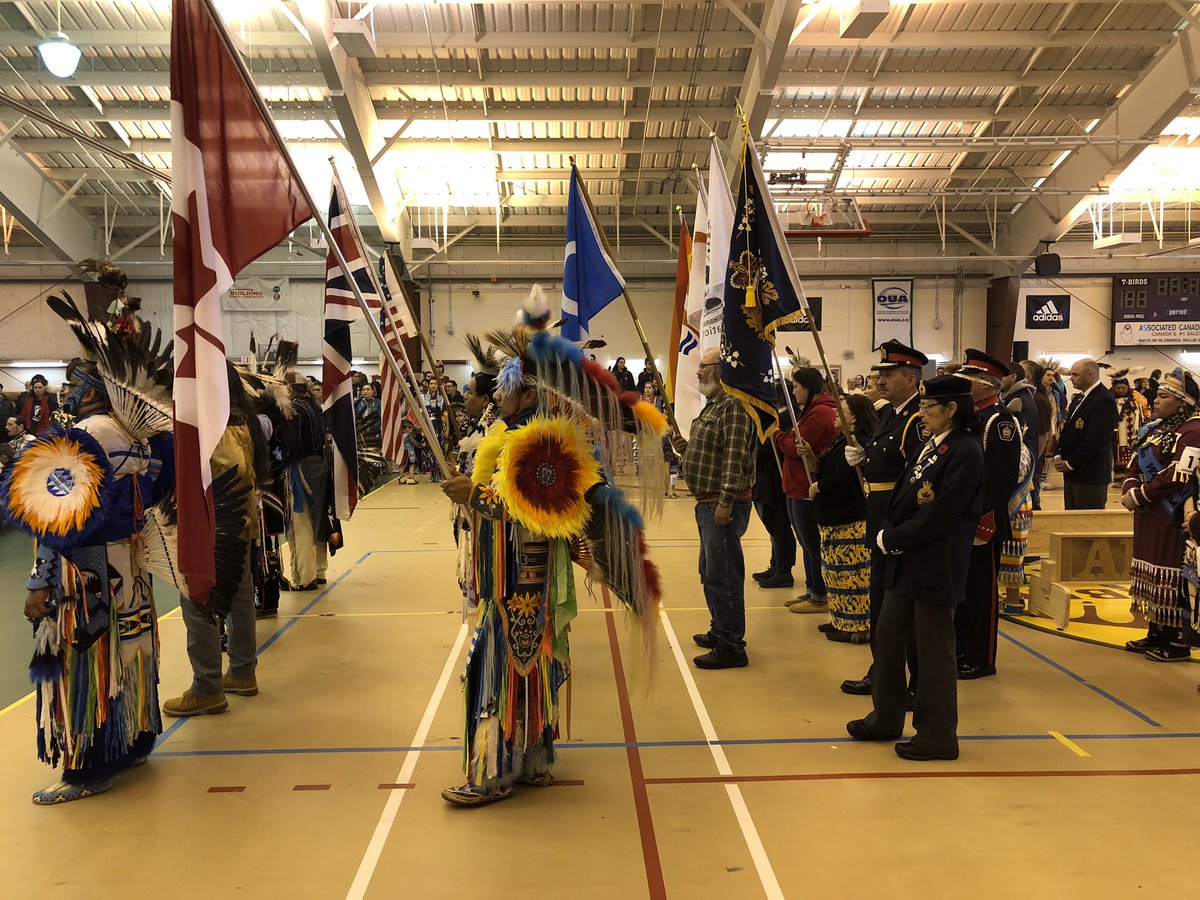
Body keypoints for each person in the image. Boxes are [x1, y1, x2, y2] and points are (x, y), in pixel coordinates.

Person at [438, 302, 662, 806]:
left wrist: (471, 497)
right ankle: (530, 759)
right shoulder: (513, 435)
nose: (498, 393)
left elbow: (526, 508)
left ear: (527, 390)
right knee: (527, 664)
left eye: (506, 386)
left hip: (522, 578)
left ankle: (494, 772)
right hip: (506, 573)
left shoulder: (542, 444)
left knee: (501, 665)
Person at [6, 315, 175, 803]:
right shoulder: (144, 437)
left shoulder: (84, 437)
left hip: (85, 572)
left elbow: (58, 518)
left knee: (86, 659)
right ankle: (136, 742)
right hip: (131, 566)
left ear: (94, 388)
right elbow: (163, 489)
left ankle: (90, 769)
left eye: (73, 383)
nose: (66, 393)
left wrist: (39, 582)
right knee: (131, 652)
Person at [846, 375, 983, 762]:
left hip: (934, 564)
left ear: (952, 409)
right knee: (887, 639)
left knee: (933, 651)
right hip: (905, 563)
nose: (921, 413)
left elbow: (942, 513)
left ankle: (938, 734)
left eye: (928, 407)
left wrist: (894, 537)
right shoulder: (932, 445)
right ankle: (886, 716)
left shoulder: (966, 451)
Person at [163, 364, 270, 717]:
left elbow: (228, 477)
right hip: (241, 524)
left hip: (214, 527)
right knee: (239, 597)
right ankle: (241, 673)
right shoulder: (243, 421)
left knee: (200, 599)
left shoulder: (215, 428)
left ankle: (207, 686)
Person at [841, 340, 929, 698]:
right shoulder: (891, 414)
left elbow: (916, 478)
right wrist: (863, 458)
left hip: (896, 525)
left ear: (910, 379)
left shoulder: (916, 420)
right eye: (880, 374)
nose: (880, 381)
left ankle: (909, 685)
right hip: (878, 522)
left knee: (901, 614)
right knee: (881, 608)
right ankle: (883, 673)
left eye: (889, 374)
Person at [677, 347, 757, 669]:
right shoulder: (714, 407)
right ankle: (719, 629)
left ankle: (732, 645)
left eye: (702, 366)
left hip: (720, 507)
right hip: (707, 505)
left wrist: (725, 501)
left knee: (723, 576)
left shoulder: (733, 407)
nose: (697, 372)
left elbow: (735, 459)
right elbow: (713, 451)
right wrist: (686, 448)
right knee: (709, 572)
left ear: (720, 371)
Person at [1120, 369, 1200, 662]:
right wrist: (1130, 487)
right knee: (1153, 570)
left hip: (1173, 515)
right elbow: (1133, 463)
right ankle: (1157, 630)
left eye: (1163, 396)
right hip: (1148, 513)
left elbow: (1179, 473)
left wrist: (1141, 495)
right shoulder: (1155, 428)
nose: (1155, 399)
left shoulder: (1194, 430)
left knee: (1173, 574)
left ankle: (1177, 641)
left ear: (1183, 403)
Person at [956, 350, 1021, 679]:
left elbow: (1000, 476)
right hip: (963, 517)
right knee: (964, 591)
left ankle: (982, 657)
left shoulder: (999, 420)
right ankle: (962, 648)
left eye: (968, 380)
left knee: (982, 594)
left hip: (983, 520)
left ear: (985, 385)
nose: (963, 384)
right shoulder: (972, 417)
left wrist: (987, 518)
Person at [810, 393, 878, 643]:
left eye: (842, 410)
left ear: (856, 417)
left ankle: (857, 626)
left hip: (849, 519)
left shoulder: (859, 443)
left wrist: (819, 487)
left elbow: (845, 479)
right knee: (835, 573)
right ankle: (841, 619)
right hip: (833, 518)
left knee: (852, 576)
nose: (836, 413)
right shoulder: (841, 441)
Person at [771, 367, 839, 611]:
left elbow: (793, 446)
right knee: (806, 542)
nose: (794, 392)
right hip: (796, 486)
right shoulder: (810, 411)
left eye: (797, 387)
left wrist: (777, 434)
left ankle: (820, 594)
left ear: (810, 389)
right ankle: (811, 589)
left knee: (811, 543)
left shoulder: (819, 413)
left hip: (805, 487)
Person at [279, 378, 330, 591]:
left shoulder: (296, 409)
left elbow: (290, 443)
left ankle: (305, 577)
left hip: (302, 467)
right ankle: (319, 571)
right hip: (318, 464)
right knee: (318, 517)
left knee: (301, 521)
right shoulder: (312, 405)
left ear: (289, 389)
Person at [1054, 358, 1119, 509]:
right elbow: (1068, 432)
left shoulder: (1104, 400)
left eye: (1075, 374)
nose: (1071, 378)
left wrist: (1070, 464)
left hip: (1090, 475)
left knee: (1088, 525)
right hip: (1072, 474)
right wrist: (1059, 454)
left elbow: (1096, 441)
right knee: (1072, 524)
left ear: (1090, 375)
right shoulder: (1079, 398)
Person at [752, 392, 796, 590]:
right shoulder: (773, 417)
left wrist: (751, 451)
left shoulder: (786, 419)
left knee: (779, 526)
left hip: (775, 480)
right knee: (773, 526)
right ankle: (775, 564)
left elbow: (772, 449)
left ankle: (783, 570)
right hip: (764, 479)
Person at [1022, 360, 1054, 510]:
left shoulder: (1038, 400)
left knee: (1032, 505)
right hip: (1025, 463)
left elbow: (1043, 435)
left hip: (1031, 465)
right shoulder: (1027, 397)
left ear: (1027, 377)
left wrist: (1033, 463)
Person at [1111, 370, 1149, 483]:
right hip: (1117, 433)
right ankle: (1119, 478)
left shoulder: (1136, 398)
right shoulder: (1110, 399)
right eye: (1118, 388)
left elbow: (1146, 410)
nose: (1121, 390)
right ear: (1113, 388)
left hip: (1133, 431)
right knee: (1118, 453)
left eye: (1123, 387)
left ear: (1128, 386)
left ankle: (1133, 478)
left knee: (1133, 454)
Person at [355, 381, 383, 449]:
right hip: (359, 432)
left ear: (373, 391)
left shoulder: (378, 402)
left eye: (368, 389)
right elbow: (354, 417)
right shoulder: (357, 403)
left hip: (373, 432)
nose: (365, 391)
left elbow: (380, 418)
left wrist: (371, 428)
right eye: (363, 390)